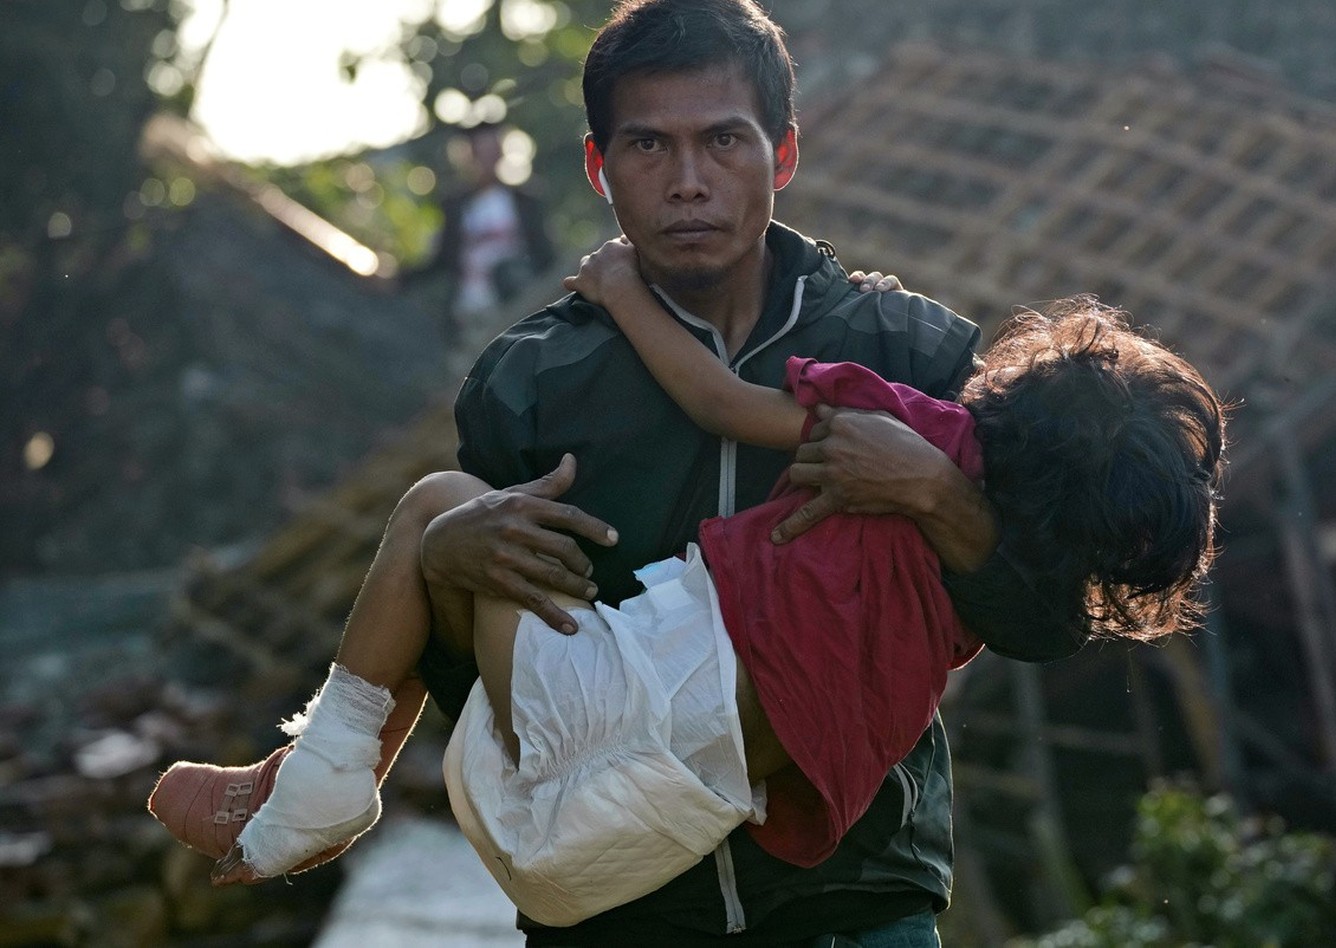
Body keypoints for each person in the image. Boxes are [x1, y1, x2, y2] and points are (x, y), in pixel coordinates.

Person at [152, 1, 1120, 943]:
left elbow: (1043, 617)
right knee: (442, 521)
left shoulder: (905, 353)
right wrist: (448, 558)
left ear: (782, 152)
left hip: (855, 911)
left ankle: (303, 779)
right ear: (598, 168)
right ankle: (309, 777)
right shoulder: (530, 384)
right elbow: (498, 697)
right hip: (624, 919)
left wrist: (934, 491)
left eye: (724, 142)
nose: (688, 180)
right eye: (649, 146)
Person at [147, 257, 1225, 929]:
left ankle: (322, 776)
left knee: (439, 499)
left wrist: (617, 288)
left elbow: (717, 398)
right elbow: (1045, 615)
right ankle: (313, 783)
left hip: (620, 730)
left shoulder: (915, 408)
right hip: (664, 827)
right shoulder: (993, 580)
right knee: (465, 535)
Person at [399, 121, 556, 366]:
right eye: (479, 152)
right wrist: (399, 279)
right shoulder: (456, 205)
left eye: (492, 150)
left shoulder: (525, 201)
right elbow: (441, 259)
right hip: (470, 313)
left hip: (517, 307)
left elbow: (545, 256)